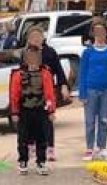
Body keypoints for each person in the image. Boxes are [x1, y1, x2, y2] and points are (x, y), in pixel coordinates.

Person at [9, 45, 57, 175]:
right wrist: (14, 112)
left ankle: (41, 162)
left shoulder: (45, 73)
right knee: (23, 137)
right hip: (24, 110)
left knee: (41, 137)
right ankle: (23, 161)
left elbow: (49, 93)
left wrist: (51, 111)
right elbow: (14, 94)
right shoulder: (18, 75)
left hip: (41, 110)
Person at [23, 26, 68, 161]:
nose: (36, 40)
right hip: (30, 92)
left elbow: (59, 71)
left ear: (43, 38)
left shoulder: (50, 52)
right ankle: (31, 146)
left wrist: (63, 86)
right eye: (33, 38)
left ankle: (50, 149)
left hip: (47, 92)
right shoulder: (26, 53)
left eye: (39, 37)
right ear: (29, 40)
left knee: (47, 121)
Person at [78, 22, 107, 161]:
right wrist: (82, 93)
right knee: (90, 121)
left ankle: (102, 147)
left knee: (104, 121)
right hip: (90, 91)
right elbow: (82, 73)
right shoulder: (87, 52)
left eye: (102, 31)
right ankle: (89, 148)